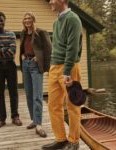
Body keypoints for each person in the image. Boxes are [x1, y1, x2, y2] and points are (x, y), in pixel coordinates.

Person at [42, 0, 83, 150]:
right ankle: (60, 139)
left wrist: (66, 71)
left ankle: (74, 140)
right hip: (54, 67)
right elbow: (57, 46)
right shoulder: (56, 21)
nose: (50, 2)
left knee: (72, 105)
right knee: (53, 105)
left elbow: (72, 47)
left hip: (69, 68)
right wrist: (51, 66)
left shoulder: (73, 19)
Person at [0, 11, 22, 129]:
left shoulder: (11, 34)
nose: (0, 22)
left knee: (13, 91)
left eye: (1, 20)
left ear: (5, 20)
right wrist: (4, 49)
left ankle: (15, 116)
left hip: (10, 65)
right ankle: (2, 118)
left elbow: (12, 51)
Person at [20, 12, 52, 138]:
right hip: (25, 64)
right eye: (25, 18)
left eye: (29, 18)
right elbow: (23, 47)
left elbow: (49, 49)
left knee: (37, 96)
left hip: (35, 65)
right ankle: (34, 120)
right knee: (28, 94)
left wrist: (42, 62)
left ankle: (39, 124)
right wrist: (22, 55)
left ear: (33, 20)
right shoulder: (23, 33)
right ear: (23, 21)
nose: (27, 20)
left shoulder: (41, 32)